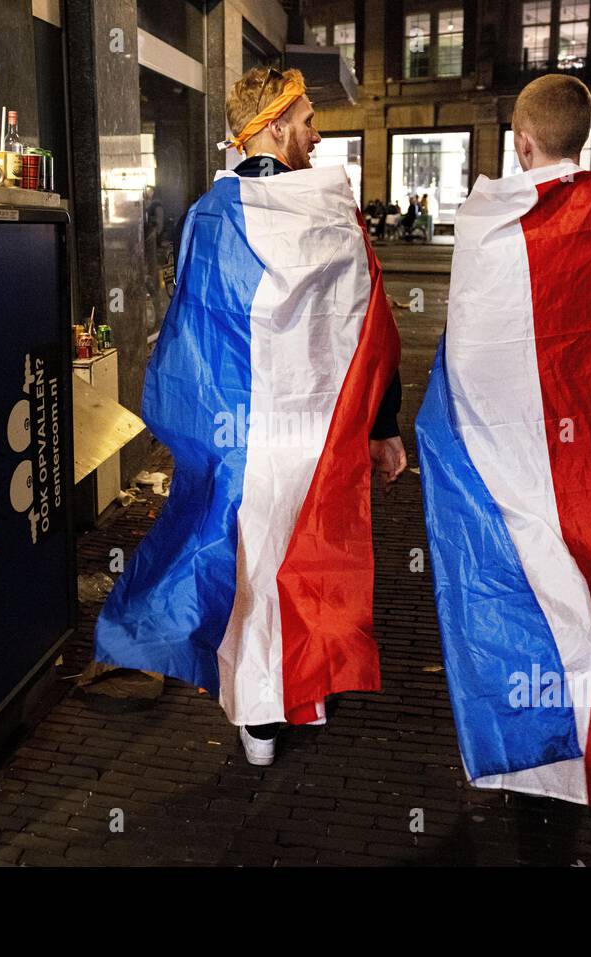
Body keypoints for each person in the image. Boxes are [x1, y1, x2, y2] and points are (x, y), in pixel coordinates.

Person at [95, 66, 406, 768]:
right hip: (317, 435)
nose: (317, 133)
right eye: (305, 121)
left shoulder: (210, 214)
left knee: (247, 567)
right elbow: (371, 327)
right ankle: (290, 691)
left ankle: (261, 710)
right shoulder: (335, 211)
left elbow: (190, 333)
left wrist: (195, 432)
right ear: (269, 127)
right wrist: (381, 422)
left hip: (240, 438)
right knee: (302, 562)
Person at [415, 73, 591, 822]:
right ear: (586, 141)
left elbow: (473, 342)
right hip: (581, 459)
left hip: (498, 456)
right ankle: (586, 735)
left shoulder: (480, 218)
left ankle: (530, 747)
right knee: (579, 583)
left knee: (505, 587)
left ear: (520, 142)